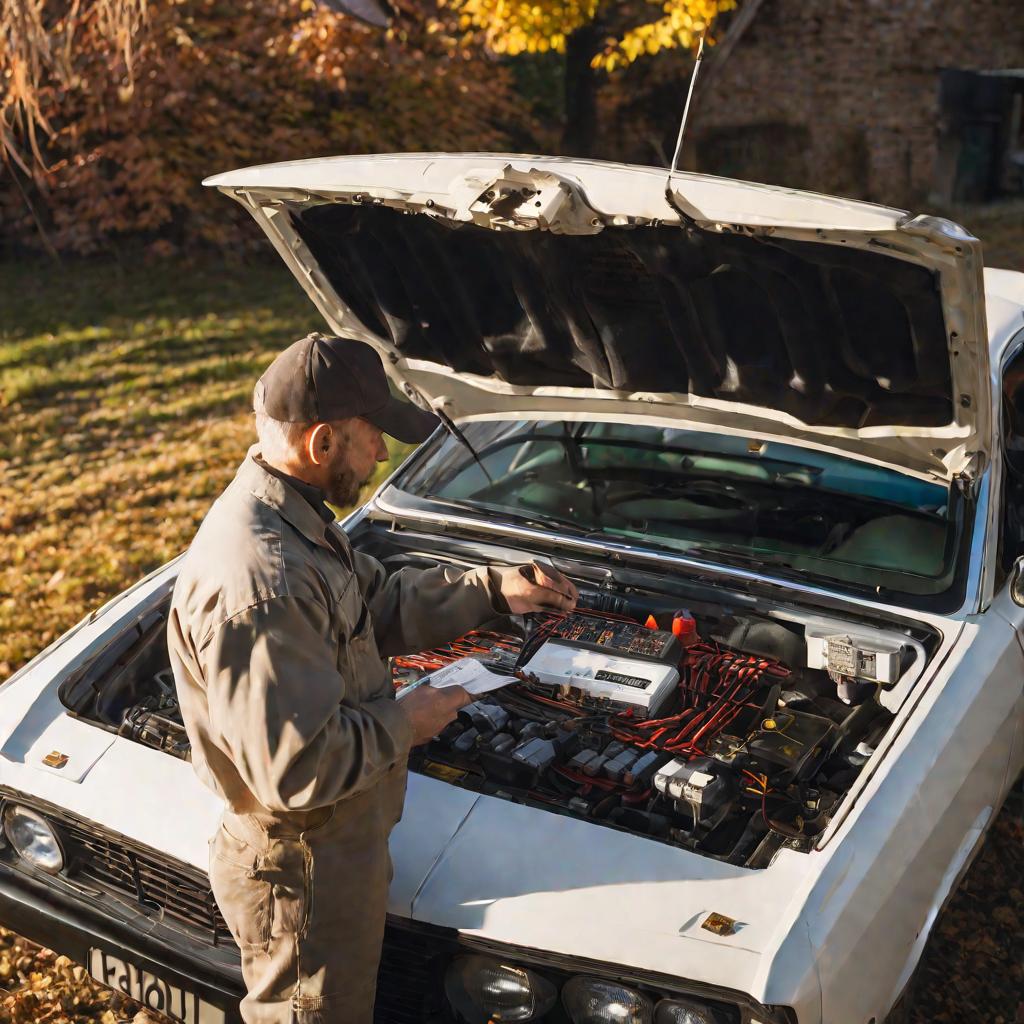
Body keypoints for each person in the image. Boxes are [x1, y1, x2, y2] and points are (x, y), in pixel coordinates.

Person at [166, 332, 577, 1023]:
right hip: (303, 870)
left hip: (335, 849)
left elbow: (378, 604)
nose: (383, 454)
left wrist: (491, 589)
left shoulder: (295, 521)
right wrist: (408, 721)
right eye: (373, 437)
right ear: (322, 443)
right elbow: (296, 769)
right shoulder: (267, 583)